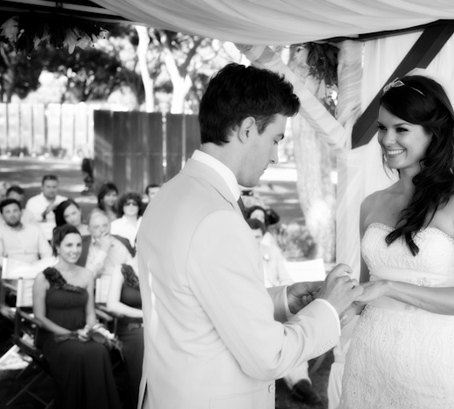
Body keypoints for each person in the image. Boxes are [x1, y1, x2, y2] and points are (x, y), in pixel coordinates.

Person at [136, 63, 363, 409]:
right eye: (275, 139)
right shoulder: (216, 218)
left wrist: (285, 300)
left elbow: (201, 300)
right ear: (245, 129)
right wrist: (328, 309)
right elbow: (268, 356)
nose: (275, 155)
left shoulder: (168, 195)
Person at [338, 75, 454, 409]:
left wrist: (390, 287)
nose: (386, 139)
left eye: (401, 129)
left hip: (429, 367)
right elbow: (367, 292)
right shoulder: (371, 204)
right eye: (382, 128)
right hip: (367, 359)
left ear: (432, 132)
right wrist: (339, 300)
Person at [32, 225, 121, 409]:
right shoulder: (44, 277)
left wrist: (89, 329)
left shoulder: (87, 275)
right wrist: (70, 334)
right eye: (69, 245)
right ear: (57, 247)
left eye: (78, 245)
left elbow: (90, 312)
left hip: (82, 332)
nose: (75, 250)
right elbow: (40, 317)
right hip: (54, 336)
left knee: (99, 351)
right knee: (78, 353)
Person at [248, 218, 323, 406]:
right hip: (252, 309)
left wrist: (280, 293)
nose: (253, 240)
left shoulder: (272, 253)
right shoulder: (239, 256)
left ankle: (300, 383)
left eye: (257, 236)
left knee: (288, 331)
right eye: (249, 236)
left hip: (275, 304)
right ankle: (271, 385)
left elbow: (286, 279)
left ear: (262, 236)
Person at [107, 257, 144, 409]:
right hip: (131, 328)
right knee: (142, 342)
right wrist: (144, 314)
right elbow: (112, 305)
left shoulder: (160, 268)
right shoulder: (122, 270)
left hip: (158, 325)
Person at [0, 198, 51, 268]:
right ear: (2, 215)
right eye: (7, 212)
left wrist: (41, 266)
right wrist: (17, 265)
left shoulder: (34, 229)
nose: (12, 215)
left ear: (21, 212)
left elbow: (47, 253)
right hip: (11, 269)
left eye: (15, 210)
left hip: (36, 268)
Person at [77, 209, 132, 278]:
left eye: (105, 225)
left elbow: (132, 269)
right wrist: (103, 250)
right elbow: (86, 276)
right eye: (96, 227)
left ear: (110, 226)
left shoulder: (122, 242)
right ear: (88, 229)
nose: (102, 230)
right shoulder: (81, 244)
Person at [25, 174, 68, 241]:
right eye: (48, 187)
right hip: (40, 238)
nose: (51, 190)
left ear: (58, 187)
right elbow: (29, 223)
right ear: (42, 187)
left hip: (61, 237)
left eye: (54, 187)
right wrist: (45, 213)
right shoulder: (32, 202)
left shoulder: (63, 201)